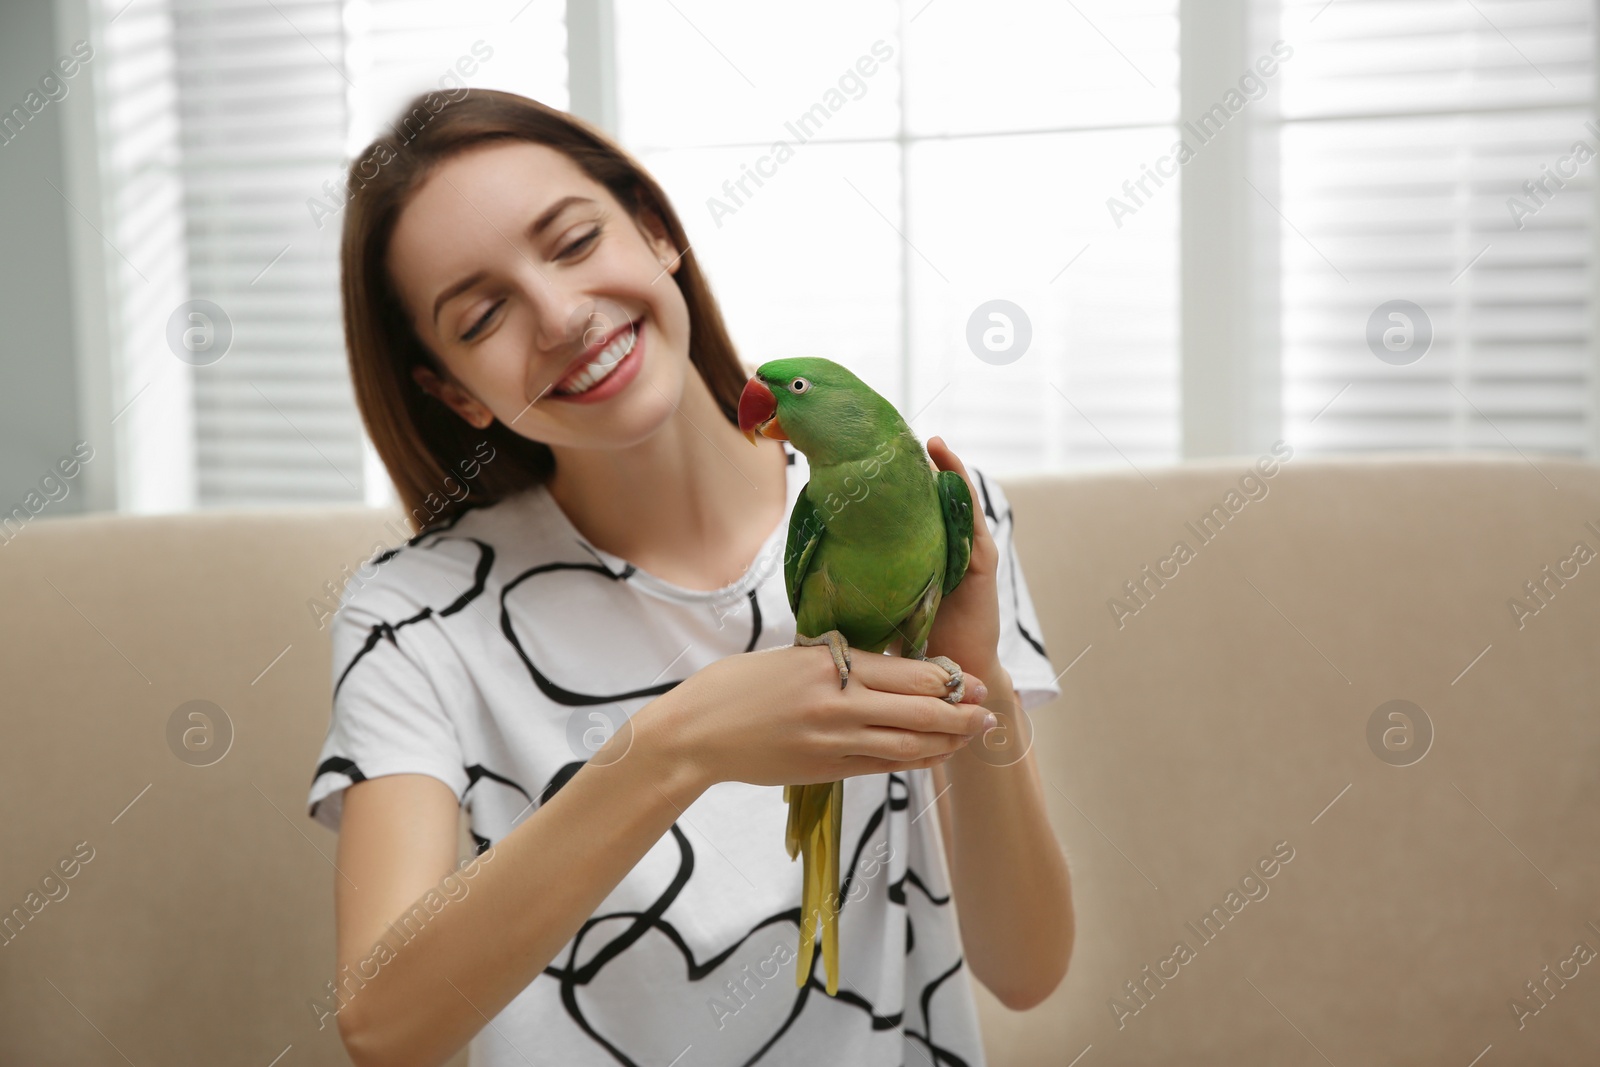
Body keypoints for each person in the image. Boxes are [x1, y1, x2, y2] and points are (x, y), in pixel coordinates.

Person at [305, 88, 1074, 1067]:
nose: (563, 314)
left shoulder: (949, 508)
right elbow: (383, 1025)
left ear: (657, 230)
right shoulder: (413, 618)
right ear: (457, 391)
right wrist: (674, 743)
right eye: (485, 312)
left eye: (575, 241)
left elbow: (1026, 967)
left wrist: (979, 697)